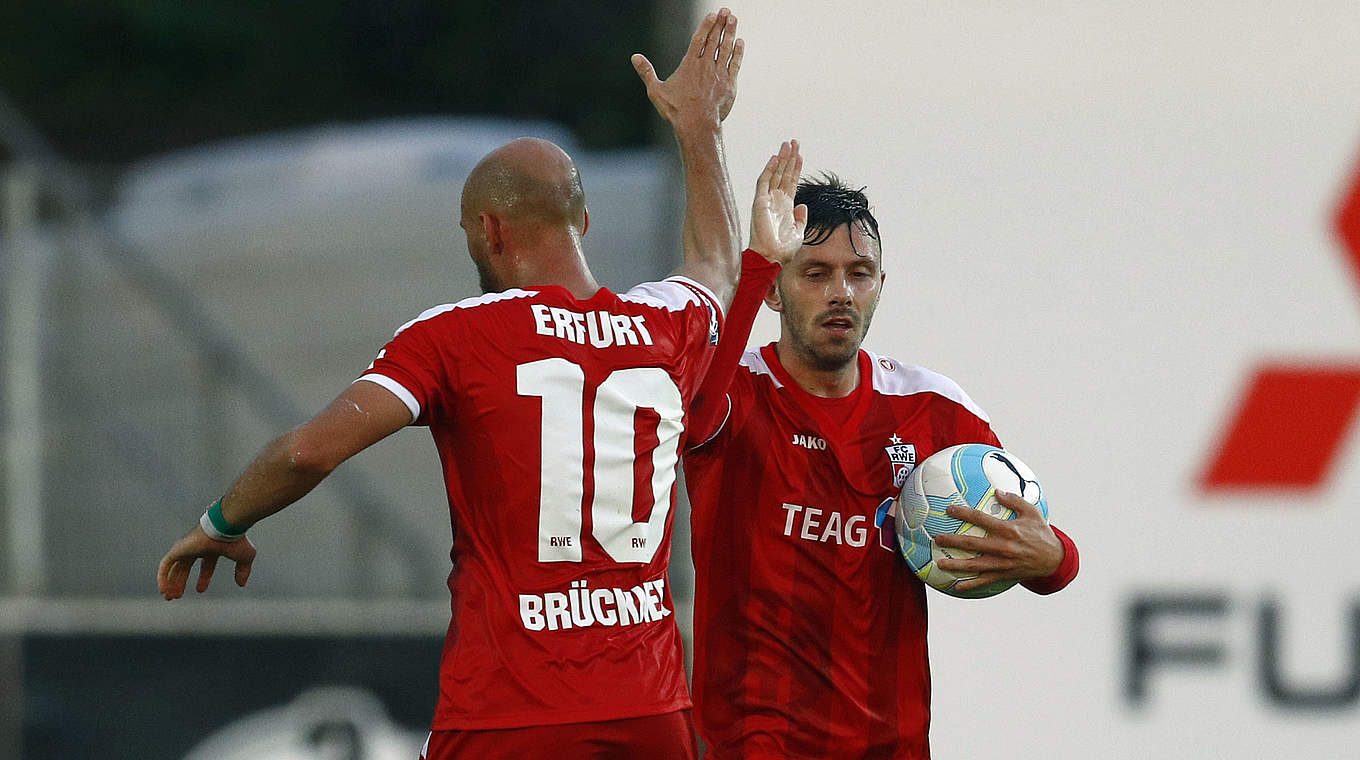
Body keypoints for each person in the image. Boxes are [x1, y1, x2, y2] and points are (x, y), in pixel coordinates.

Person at [157, 10, 801, 759]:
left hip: (509, 712)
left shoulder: (456, 334)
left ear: (490, 233)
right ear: (585, 221)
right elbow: (716, 268)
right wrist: (701, 128)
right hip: (648, 713)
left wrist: (221, 524)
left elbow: (306, 453)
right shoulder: (666, 325)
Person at [682, 172, 1081, 760]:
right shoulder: (733, 392)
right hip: (758, 742)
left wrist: (1052, 558)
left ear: (879, 285)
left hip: (893, 745)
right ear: (773, 288)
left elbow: (1045, 550)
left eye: (859, 273)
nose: (840, 292)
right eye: (815, 273)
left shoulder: (933, 410)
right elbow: (692, 419)